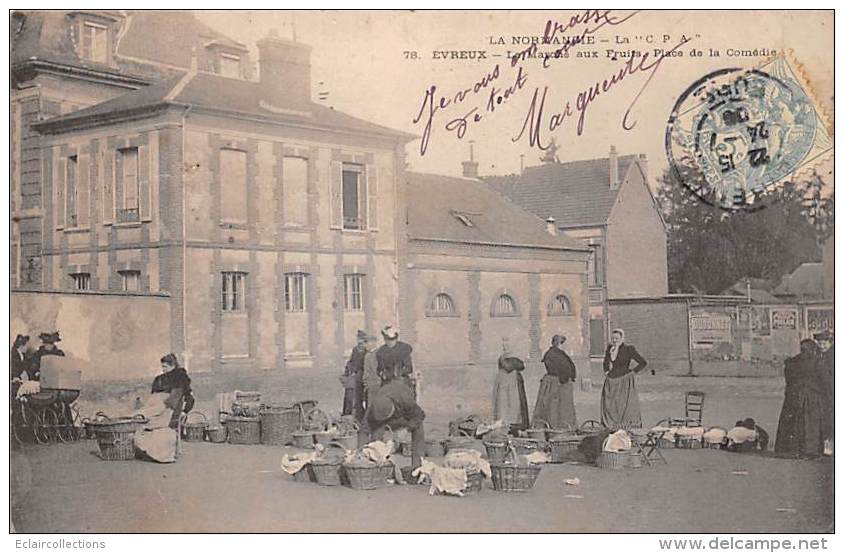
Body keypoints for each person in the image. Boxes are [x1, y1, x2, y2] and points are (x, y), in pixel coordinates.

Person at [775, 339, 830, 457]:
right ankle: (810, 450)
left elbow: (788, 380)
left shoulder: (791, 362)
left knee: (792, 424)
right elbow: (825, 382)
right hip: (812, 398)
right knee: (810, 426)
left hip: (793, 396)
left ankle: (789, 449)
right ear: (813, 350)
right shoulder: (818, 362)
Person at [358, 377, 425, 470]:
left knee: (418, 429)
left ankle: (418, 466)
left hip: (404, 415)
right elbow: (364, 430)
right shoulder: (373, 407)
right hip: (384, 418)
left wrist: (406, 429)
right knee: (376, 436)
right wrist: (361, 451)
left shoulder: (404, 399)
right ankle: (377, 465)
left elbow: (420, 415)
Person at [600, 329, 647, 430]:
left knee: (623, 405)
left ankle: (623, 427)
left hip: (625, 381)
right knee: (610, 405)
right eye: (613, 338)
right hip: (611, 381)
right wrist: (607, 371)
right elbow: (605, 362)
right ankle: (611, 426)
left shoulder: (628, 349)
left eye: (617, 338)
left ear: (622, 338)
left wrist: (633, 372)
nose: (615, 340)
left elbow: (643, 362)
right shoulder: (610, 349)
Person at [533, 335, 577, 430]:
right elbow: (555, 369)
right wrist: (564, 378)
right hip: (556, 384)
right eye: (564, 344)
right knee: (554, 408)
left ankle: (564, 427)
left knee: (563, 408)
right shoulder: (552, 354)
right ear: (559, 344)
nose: (566, 346)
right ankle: (555, 428)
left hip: (562, 384)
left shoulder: (560, 354)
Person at [491, 338, 530, 435]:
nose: (505, 346)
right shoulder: (502, 358)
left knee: (514, 405)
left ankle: (514, 427)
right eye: (504, 344)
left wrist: (507, 362)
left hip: (512, 384)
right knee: (502, 405)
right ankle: (504, 427)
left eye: (507, 344)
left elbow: (516, 366)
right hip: (503, 384)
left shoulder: (513, 359)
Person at [150, 353, 195, 429]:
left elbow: (189, 397)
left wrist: (185, 411)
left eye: (165, 367)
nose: (163, 369)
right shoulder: (159, 379)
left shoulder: (181, 379)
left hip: (173, 412)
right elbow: (154, 396)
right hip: (159, 410)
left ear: (173, 366)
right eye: (162, 366)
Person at [341, 330, 367, 420]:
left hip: (362, 375)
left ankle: (359, 415)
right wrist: (347, 371)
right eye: (358, 339)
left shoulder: (367, 351)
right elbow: (351, 362)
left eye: (362, 340)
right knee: (349, 390)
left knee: (359, 396)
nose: (360, 341)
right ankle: (347, 413)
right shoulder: (355, 350)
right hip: (354, 376)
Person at [362, 334, 381, 411]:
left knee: (375, 405)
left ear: (374, 343)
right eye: (365, 342)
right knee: (369, 405)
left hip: (376, 383)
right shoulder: (367, 355)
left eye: (367, 342)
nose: (365, 345)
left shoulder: (378, 354)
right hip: (369, 384)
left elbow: (376, 369)